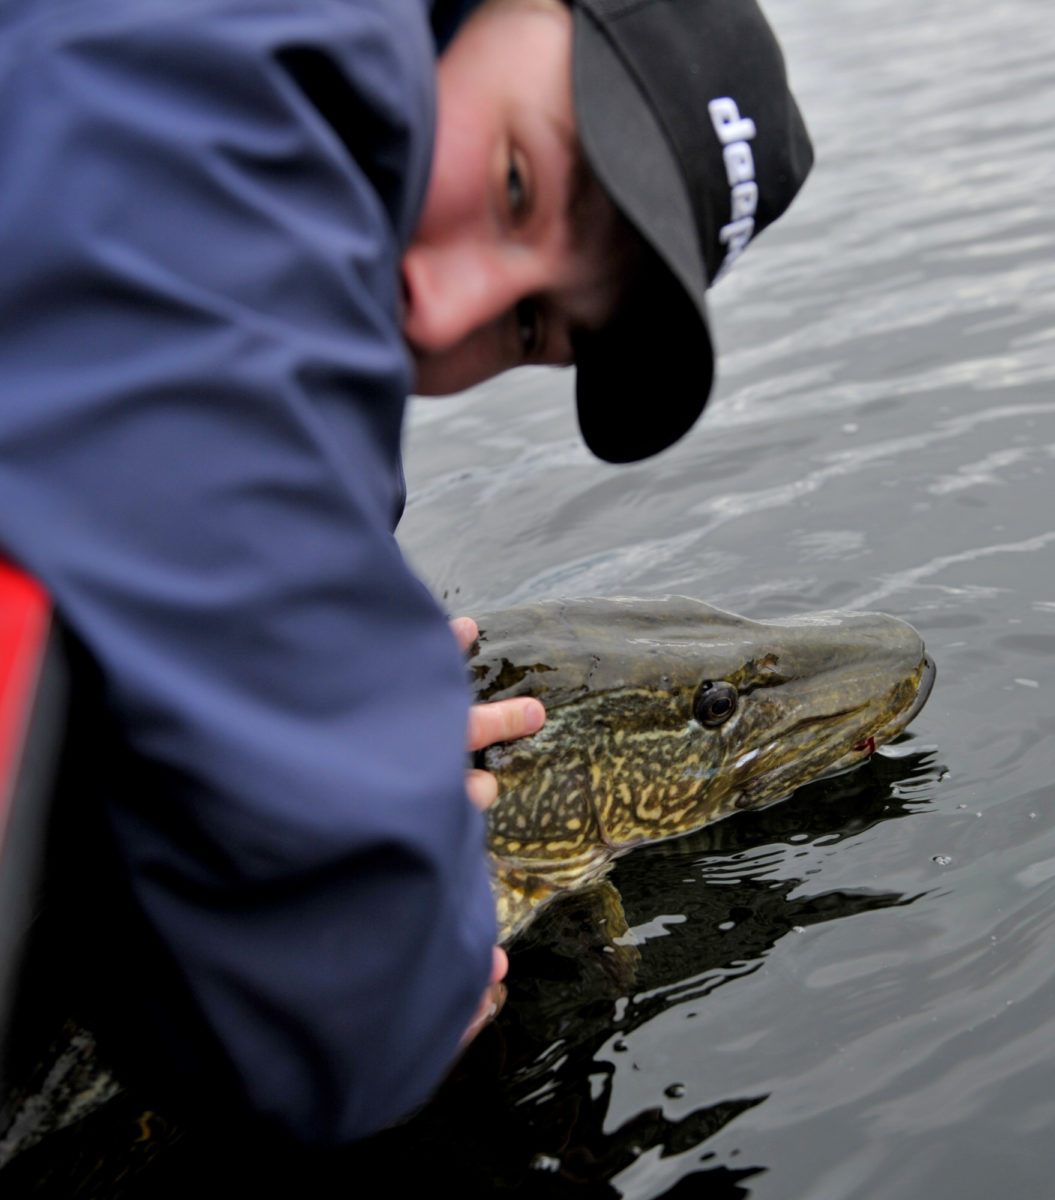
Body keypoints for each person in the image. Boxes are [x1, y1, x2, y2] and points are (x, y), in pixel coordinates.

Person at [0, 0, 810, 1146]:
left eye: (531, 324)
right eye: (518, 182)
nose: (444, 308)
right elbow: (346, 1030)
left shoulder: (300, 366)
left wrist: (318, 711)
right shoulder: (224, 72)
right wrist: (349, 780)